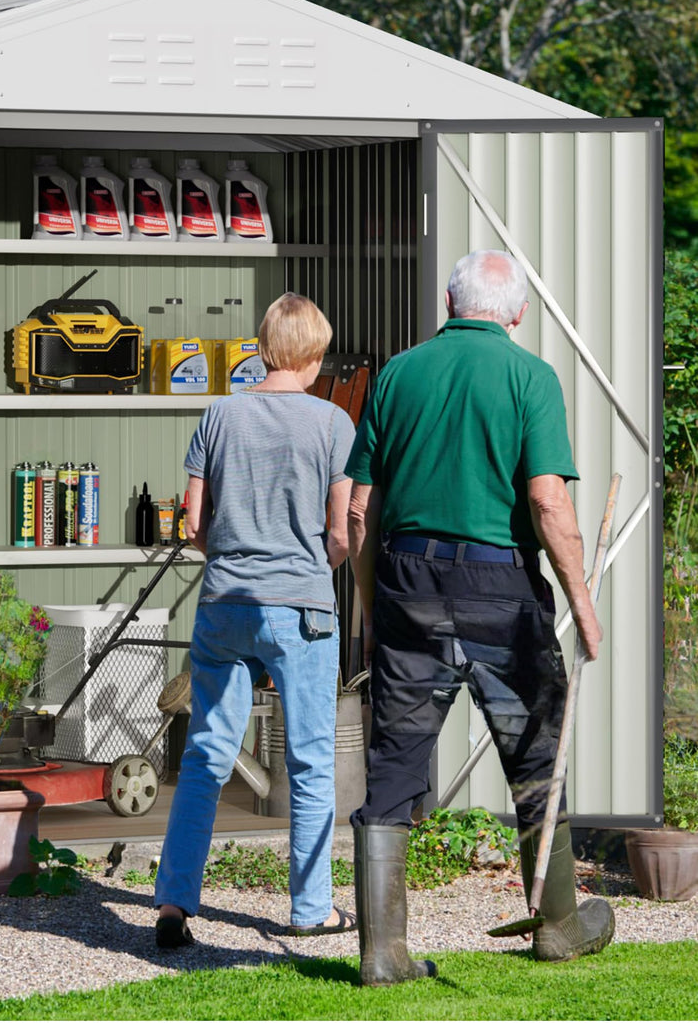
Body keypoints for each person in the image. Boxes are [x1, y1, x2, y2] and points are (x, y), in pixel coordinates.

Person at [344, 249, 614, 985]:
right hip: (500, 587)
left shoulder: (398, 374)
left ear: (449, 302)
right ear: (518, 312)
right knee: (536, 755)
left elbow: (360, 511)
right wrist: (583, 604)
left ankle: (382, 951)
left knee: (396, 760)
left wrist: (372, 610)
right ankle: (557, 926)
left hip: (408, 580)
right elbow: (548, 500)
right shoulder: (530, 377)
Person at [154, 293, 356, 948]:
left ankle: (174, 902)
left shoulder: (219, 414)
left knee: (205, 755)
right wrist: (314, 569)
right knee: (310, 758)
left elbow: (192, 523)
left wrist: (230, 558)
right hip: (301, 607)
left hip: (224, 603)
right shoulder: (333, 424)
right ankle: (311, 909)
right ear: (315, 355)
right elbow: (341, 532)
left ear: (264, 348)